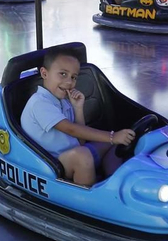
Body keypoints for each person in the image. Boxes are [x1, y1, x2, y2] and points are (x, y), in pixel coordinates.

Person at [20, 48, 136, 188]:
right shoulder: (40, 103)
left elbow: (80, 141)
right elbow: (71, 129)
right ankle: (88, 197)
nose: (69, 82)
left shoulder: (63, 102)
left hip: (71, 155)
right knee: (83, 155)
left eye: (74, 77)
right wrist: (112, 136)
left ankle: (113, 183)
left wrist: (78, 108)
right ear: (44, 73)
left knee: (112, 145)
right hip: (51, 164)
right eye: (63, 74)